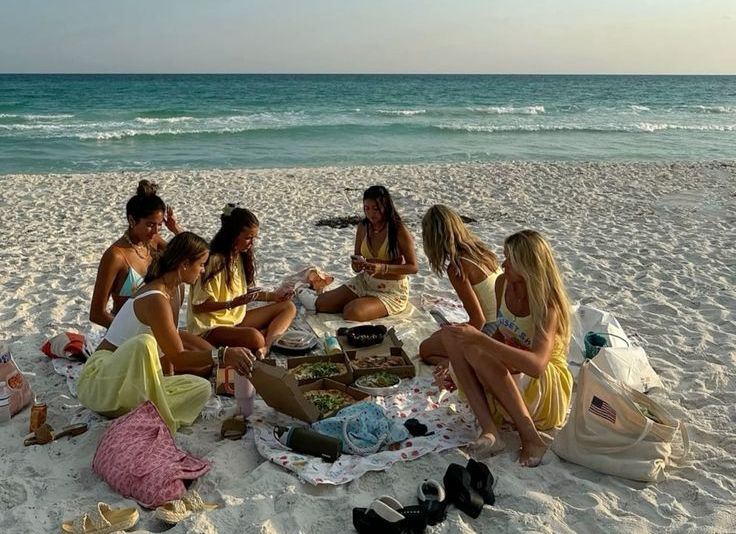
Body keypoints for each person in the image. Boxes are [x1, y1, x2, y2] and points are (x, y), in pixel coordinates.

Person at [77, 232, 256, 433]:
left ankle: (141, 409)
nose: (203, 270)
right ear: (184, 265)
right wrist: (223, 355)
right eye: (201, 264)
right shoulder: (155, 297)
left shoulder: (171, 290)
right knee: (144, 343)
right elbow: (179, 357)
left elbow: (169, 354)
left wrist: (167, 380)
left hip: (127, 382)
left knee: (201, 388)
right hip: (100, 383)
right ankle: (147, 413)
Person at [441, 230, 573, 467]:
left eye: (509, 259)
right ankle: (490, 430)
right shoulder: (503, 284)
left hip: (545, 384)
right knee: (453, 339)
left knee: (475, 348)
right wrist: (464, 366)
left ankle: (530, 437)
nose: (503, 265)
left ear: (528, 265)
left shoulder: (546, 305)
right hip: (514, 370)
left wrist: (482, 344)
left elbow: (537, 365)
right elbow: (502, 333)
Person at [187, 206, 297, 356]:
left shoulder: (239, 256)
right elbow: (198, 307)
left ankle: (267, 345)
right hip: (211, 327)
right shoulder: (214, 261)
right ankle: (263, 336)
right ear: (232, 235)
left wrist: (273, 296)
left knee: (288, 307)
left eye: (254, 238)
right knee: (255, 338)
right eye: (248, 238)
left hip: (235, 320)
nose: (251, 243)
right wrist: (232, 304)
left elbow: (243, 295)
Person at [89, 180, 183, 329]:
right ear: (132, 220)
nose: (156, 231)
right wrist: (129, 332)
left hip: (158, 329)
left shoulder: (154, 242)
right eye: (150, 225)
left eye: (159, 225)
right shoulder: (116, 256)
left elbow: (190, 256)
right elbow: (96, 313)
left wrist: (176, 228)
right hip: (127, 332)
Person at [315, 185, 418, 321]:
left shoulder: (398, 230)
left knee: (352, 313)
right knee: (321, 303)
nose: (371, 214)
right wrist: (356, 265)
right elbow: (356, 259)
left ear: (386, 206)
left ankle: (363, 304)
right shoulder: (363, 227)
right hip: (365, 282)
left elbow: (413, 267)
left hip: (391, 290)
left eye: (375, 209)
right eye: (366, 208)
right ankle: (362, 302)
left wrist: (383, 268)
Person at [419, 204, 502, 367]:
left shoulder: (458, 267)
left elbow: (479, 320)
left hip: (490, 330)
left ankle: (462, 367)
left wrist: (456, 332)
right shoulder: (480, 251)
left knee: (426, 349)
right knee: (440, 336)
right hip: (504, 325)